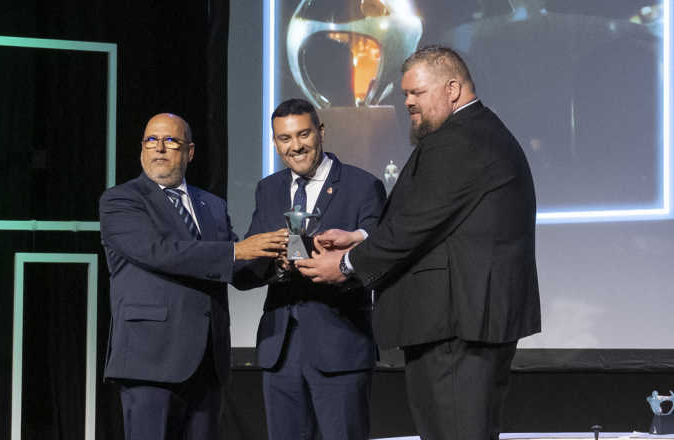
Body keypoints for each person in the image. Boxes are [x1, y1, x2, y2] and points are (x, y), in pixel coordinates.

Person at [296, 46, 541, 440]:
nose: (408, 101)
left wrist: (345, 263)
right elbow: (437, 223)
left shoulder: (459, 140)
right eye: (405, 93)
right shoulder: (477, 131)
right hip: (464, 324)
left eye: (417, 93)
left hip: (454, 327)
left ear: (453, 89)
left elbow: (414, 228)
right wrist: (362, 237)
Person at [99, 113, 288, 440]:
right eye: (151, 140)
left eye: (170, 141)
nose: (159, 148)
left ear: (189, 151)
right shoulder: (121, 200)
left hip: (207, 363)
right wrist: (237, 250)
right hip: (150, 361)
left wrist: (278, 264)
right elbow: (160, 252)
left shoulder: (212, 205)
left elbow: (235, 271)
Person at [233, 99, 386, 440]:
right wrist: (278, 263)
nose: (296, 146)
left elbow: (381, 261)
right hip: (280, 350)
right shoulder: (268, 189)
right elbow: (248, 266)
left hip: (340, 346)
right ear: (275, 143)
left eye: (303, 134)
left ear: (321, 131)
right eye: (285, 138)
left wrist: (339, 266)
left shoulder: (363, 186)